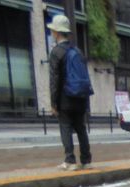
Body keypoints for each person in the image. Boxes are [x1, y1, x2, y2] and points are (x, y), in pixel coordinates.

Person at [47, 14, 92, 171]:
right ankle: (86, 159)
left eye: (53, 31)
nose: (52, 33)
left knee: (65, 127)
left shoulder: (56, 52)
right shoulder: (77, 51)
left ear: (57, 33)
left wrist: (53, 103)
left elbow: (55, 79)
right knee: (81, 128)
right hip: (80, 97)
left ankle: (70, 160)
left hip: (65, 97)